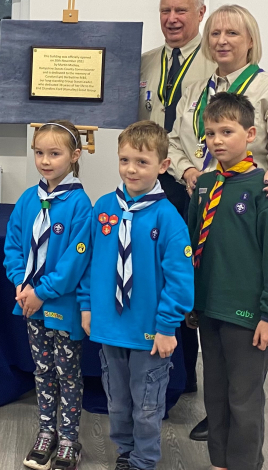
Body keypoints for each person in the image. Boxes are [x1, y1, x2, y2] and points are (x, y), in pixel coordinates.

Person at [168, 3, 268, 440]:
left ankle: (238, 415)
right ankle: (217, 408)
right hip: (206, 198)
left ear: (250, 40)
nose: (222, 40)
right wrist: (190, 171)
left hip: (249, 206)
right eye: (214, 34)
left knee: (241, 325)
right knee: (210, 309)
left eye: (232, 33)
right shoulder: (196, 89)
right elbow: (177, 141)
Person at [187, 92, 268, 470]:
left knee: (243, 398)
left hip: (248, 314)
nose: (217, 140)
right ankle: (219, 462)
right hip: (209, 309)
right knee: (214, 394)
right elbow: (191, 246)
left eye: (227, 131)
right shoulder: (202, 186)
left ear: (250, 134)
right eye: (211, 133)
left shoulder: (265, 187)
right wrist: (192, 302)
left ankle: (245, 464)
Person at [78, 121, 194, 470]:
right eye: (125, 160)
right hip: (109, 326)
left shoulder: (168, 217)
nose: (131, 169)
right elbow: (87, 262)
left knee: (147, 403)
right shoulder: (103, 207)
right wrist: (86, 305)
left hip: (149, 330)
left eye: (142, 162)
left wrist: (167, 325)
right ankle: (125, 453)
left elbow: (179, 278)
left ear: (162, 165)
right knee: (117, 400)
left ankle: (144, 460)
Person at [138, 0, 216, 403]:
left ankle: (185, 376)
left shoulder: (214, 64)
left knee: (187, 273)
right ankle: (155, 366)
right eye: (165, 10)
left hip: (195, 183)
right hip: (153, 180)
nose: (171, 19)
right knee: (152, 271)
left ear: (200, 13)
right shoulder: (147, 62)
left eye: (181, 11)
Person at [4, 121, 92, 470]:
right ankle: (46, 432)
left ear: (74, 156)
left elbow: (75, 260)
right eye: (39, 152)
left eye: (54, 153)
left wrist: (43, 291)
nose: (45, 160)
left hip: (60, 305)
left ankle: (69, 438)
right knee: (42, 371)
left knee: (67, 372)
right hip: (29, 304)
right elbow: (13, 246)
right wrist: (19, 284)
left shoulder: (81, 204)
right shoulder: (29, 199)